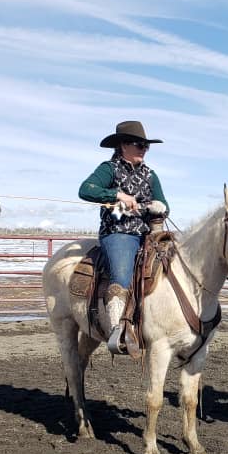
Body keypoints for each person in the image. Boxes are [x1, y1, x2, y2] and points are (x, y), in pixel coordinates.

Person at [79, 120, 169, 354]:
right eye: (139, 145)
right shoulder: (109, 169)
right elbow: (86, 189)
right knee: (121, 273)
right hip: (118, 232)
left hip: (149, 233)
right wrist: (117, 195)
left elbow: (164, 204)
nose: (144, 149)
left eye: (146, 146)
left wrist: (158, 207)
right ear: (123, 145)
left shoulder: (150, 175)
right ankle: (118, 329)